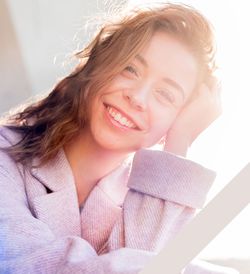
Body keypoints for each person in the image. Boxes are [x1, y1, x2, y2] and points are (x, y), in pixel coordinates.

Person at [0, 3, 239, 274]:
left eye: (166, 94)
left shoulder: (153, 200)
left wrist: (179, 142)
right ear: (98, 65)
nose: (136, 98)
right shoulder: (5, 159)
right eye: (130, 69)